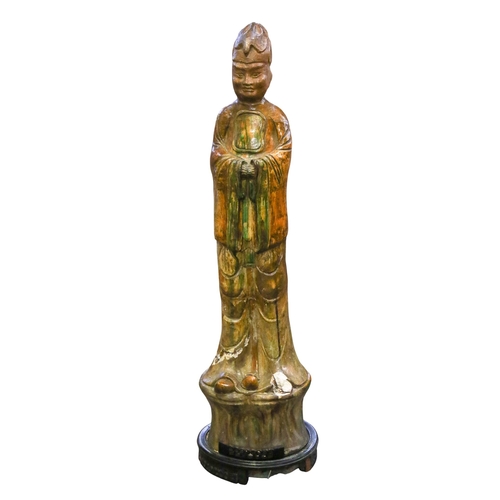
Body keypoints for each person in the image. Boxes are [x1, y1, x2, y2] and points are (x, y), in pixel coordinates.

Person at [200, 23, 309, 397]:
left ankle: (272, 369)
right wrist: (235, 165)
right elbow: (217, 157)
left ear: (269, 73)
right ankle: (232, 366)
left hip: (264, 230)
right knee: (233, 295)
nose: (246, 81)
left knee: (268, 294)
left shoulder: (276, 119)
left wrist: (259, 166)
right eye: (239, 72)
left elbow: (283, 157)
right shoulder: (226, 119)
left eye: (254, 73)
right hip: (234, 228)